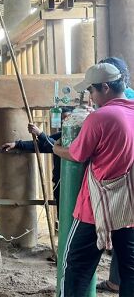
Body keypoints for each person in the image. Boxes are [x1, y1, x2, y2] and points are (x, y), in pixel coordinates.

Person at [52, 62, 134, 296]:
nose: (90, 96)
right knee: (130, 271)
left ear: (105, 87)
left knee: (76, 267)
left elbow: (77, 154)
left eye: (91, 90)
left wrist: (57, 149)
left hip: (96, 207)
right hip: (129, 210)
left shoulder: (100, 118)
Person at [95, 57, 134, 293]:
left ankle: (117, 281)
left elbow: (79, 151)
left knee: (124, 237)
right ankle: (116, 281)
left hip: (122, 184)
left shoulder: (117, 104)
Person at [0, 107, 74, 218]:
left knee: (73, 216)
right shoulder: (61, 135)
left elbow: (55, 146)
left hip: (74, 184)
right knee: (62, 216)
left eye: (68, 119)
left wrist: (40, 133)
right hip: (60, 182)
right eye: (63, 119)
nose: (65, 122)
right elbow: (42, 144)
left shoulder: (78, 137)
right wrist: (17, 144)